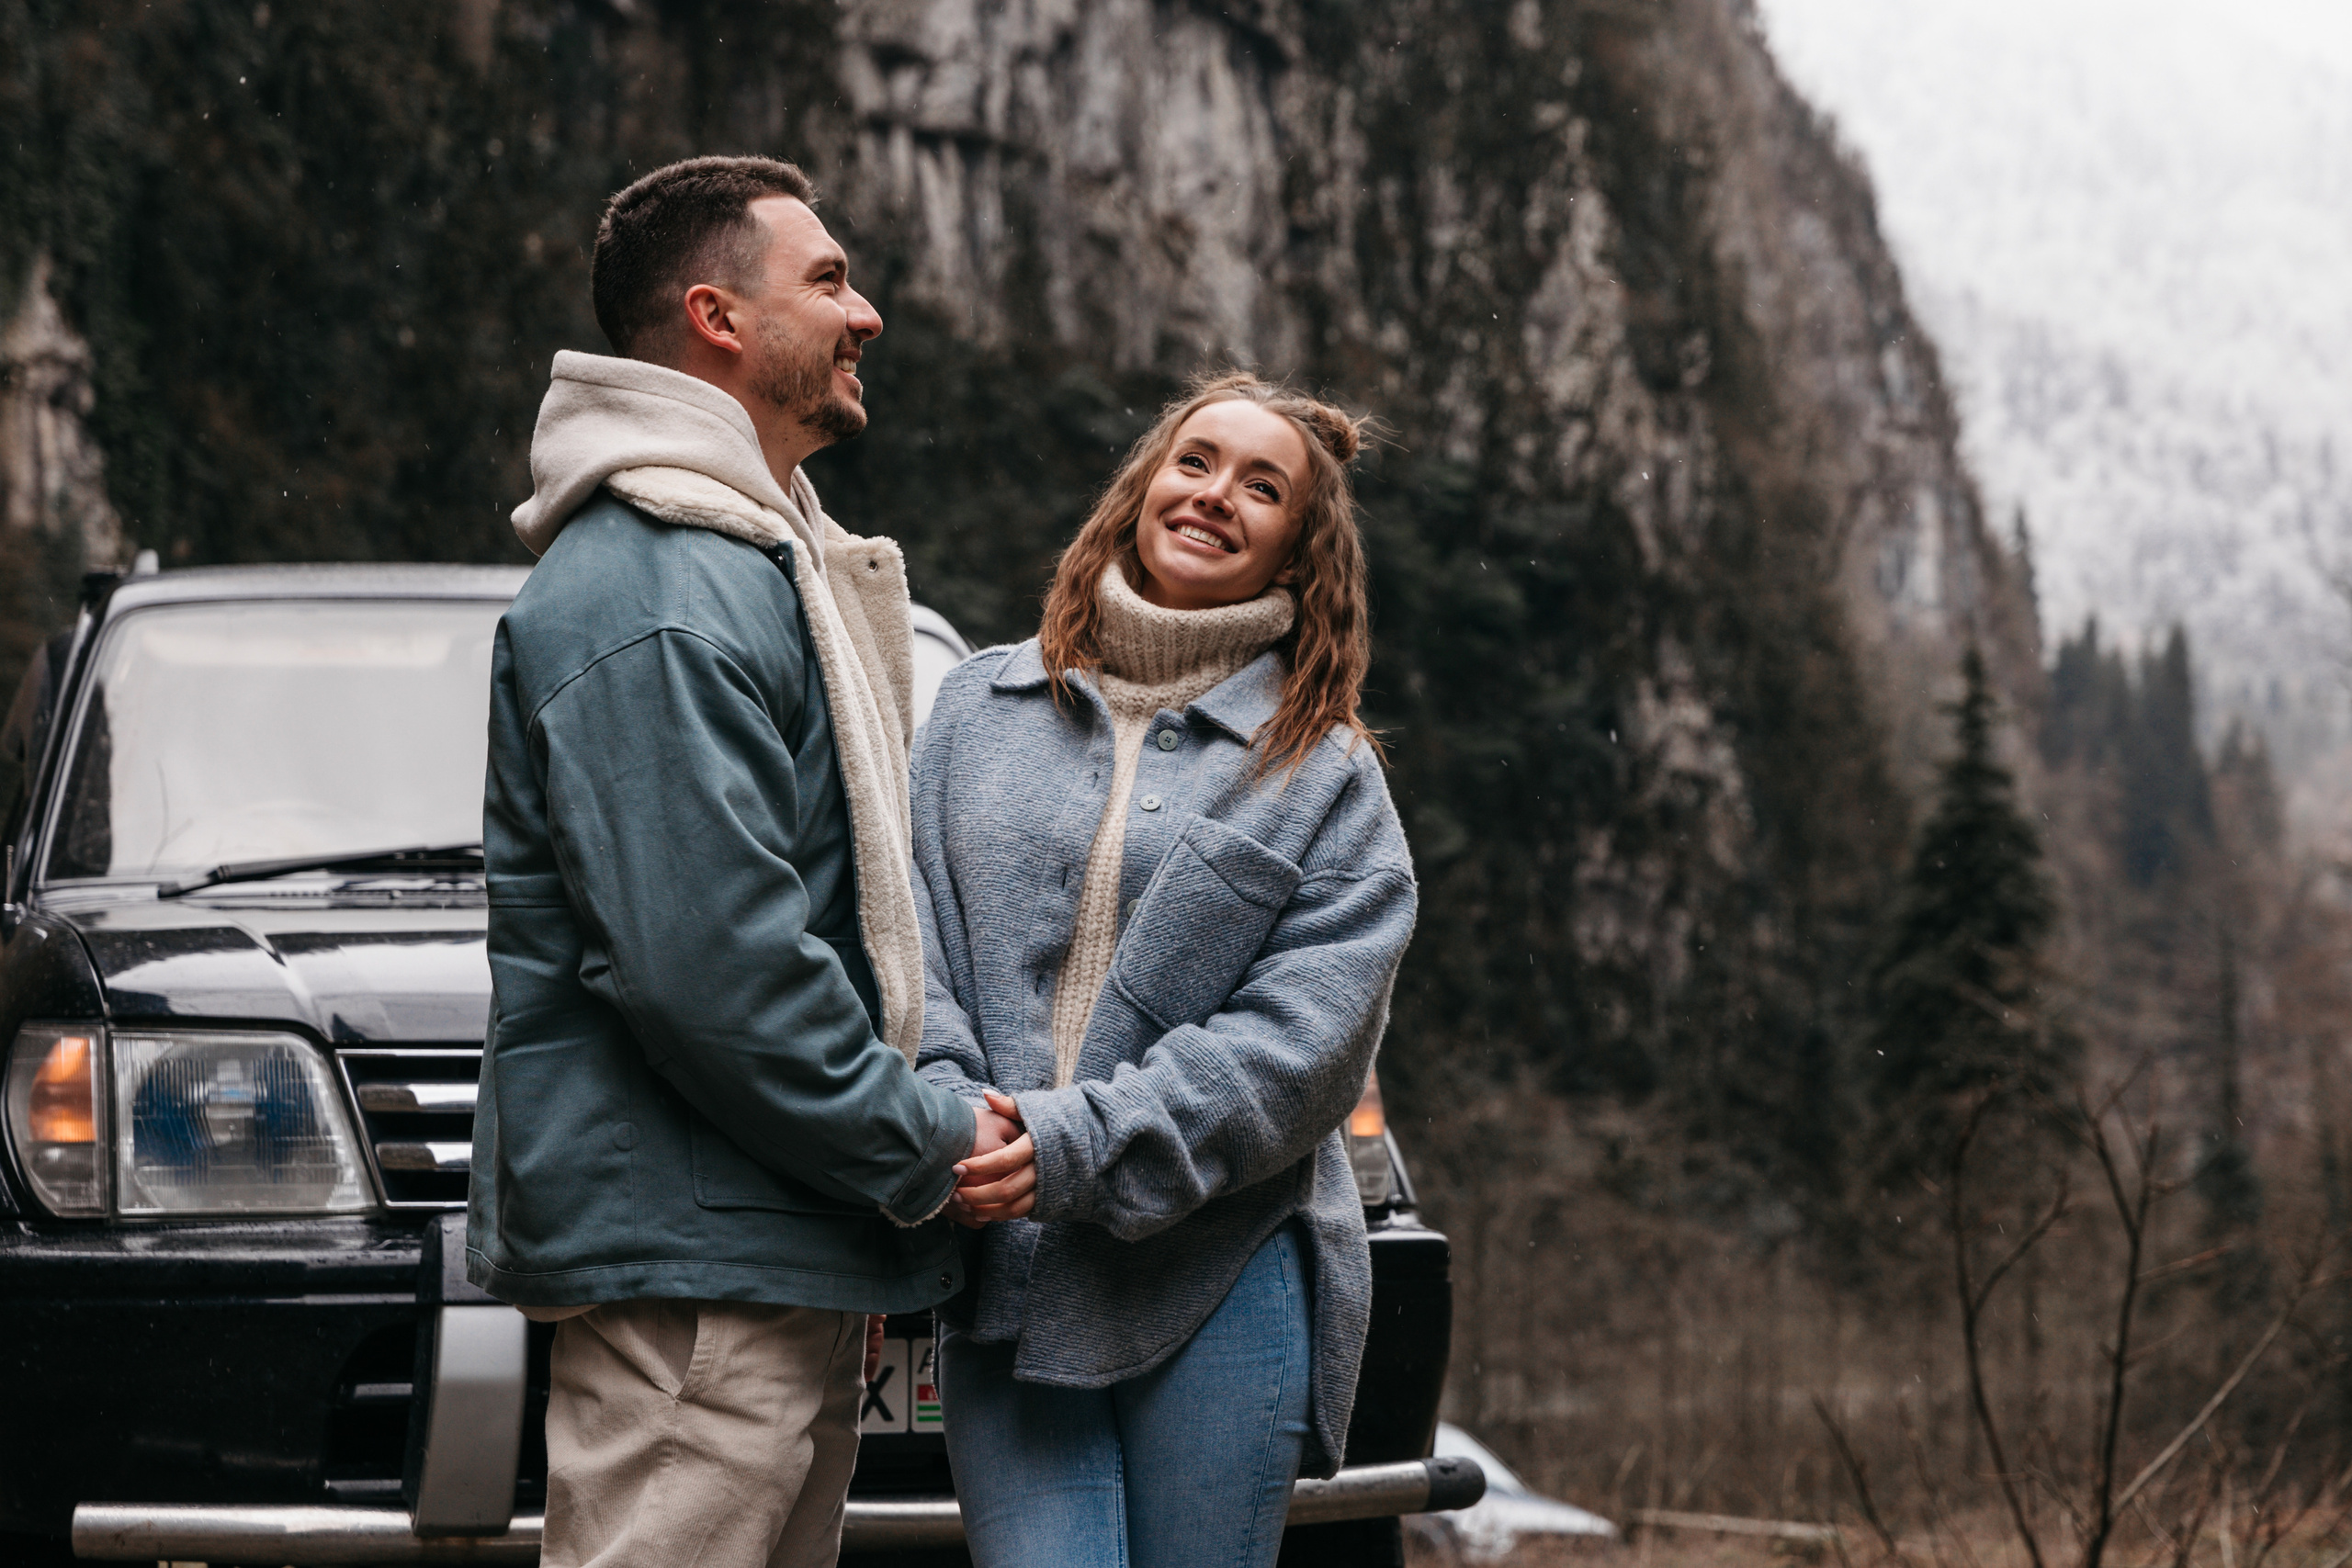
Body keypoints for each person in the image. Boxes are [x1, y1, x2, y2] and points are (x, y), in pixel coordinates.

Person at [469, 155, 1033, 1568]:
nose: (870, 315)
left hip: (759, 1242)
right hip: (702, 1270)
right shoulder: (660, 582)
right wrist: (921, 1138)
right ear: (716, 319)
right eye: (829, 280)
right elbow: (708, 967)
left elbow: (832, 921)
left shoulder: (753, 559)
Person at [910, 372, 1419, 1567]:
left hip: (1219, 1275)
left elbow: (1303, 1048)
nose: (1215, 495)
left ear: (1301, 552)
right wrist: (950, 1110)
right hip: (1003, 1267)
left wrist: (1081, 1142)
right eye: (1195, 460)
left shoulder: (1328, 777)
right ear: (1144, 485)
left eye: (1263, 485)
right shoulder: (976, 710)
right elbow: (910, 946)